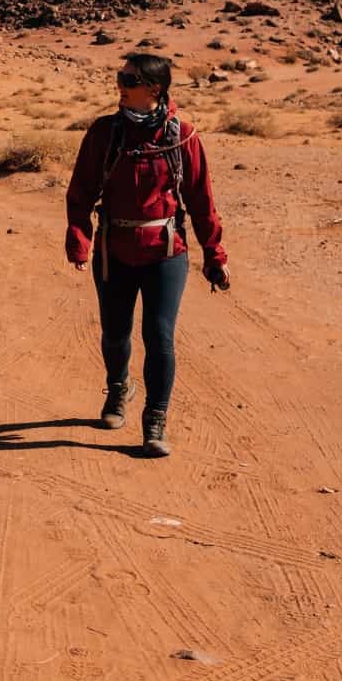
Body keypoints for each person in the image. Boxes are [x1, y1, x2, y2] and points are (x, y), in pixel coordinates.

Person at [63, 53, 229, 459]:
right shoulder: (105, 133)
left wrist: (214, 253)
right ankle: (119, 387)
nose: (119, 84)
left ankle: (155, 420)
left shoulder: (183, 137)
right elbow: (80, 191)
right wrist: (79, 238)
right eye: (120, 76)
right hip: (113, 251)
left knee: (159, 337)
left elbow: (201, 200)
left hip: (165, 252)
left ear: (154, 89)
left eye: (129, 79)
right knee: (115, 333)